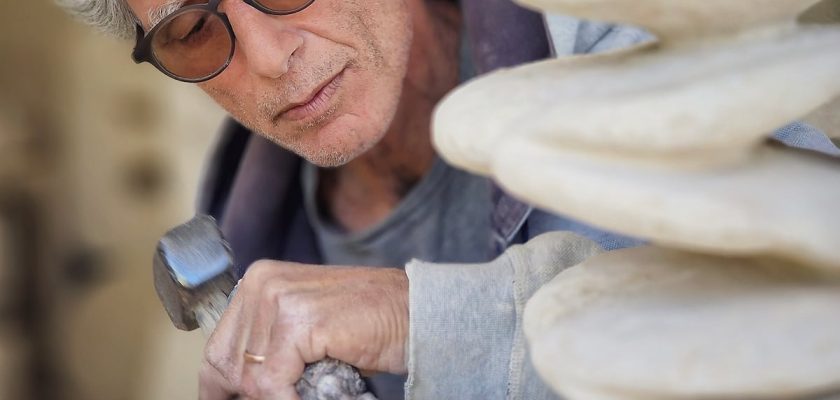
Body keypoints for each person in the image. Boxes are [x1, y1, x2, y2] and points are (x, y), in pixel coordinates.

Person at [57, 0, 840, 398]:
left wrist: (417, 318)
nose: (268, 58)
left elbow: (815, 321)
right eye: (193, 28)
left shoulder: (622, 40)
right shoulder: (239, 243)